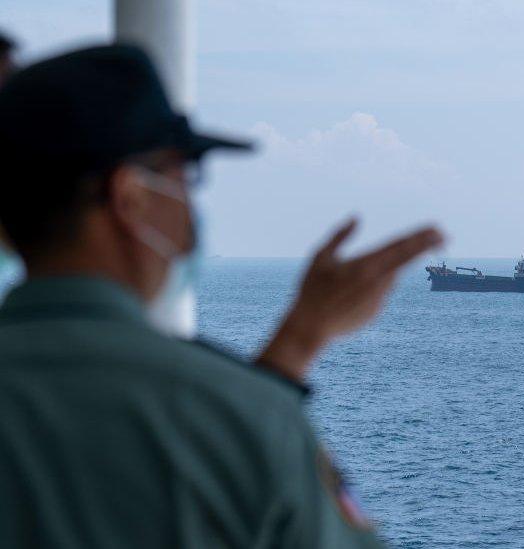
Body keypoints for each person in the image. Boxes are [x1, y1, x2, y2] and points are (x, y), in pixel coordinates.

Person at [0, 44, 442, 547]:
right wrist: (287, 364)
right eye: (184, 176)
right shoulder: (242, 419)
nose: (191, 206)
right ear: (130, 197)